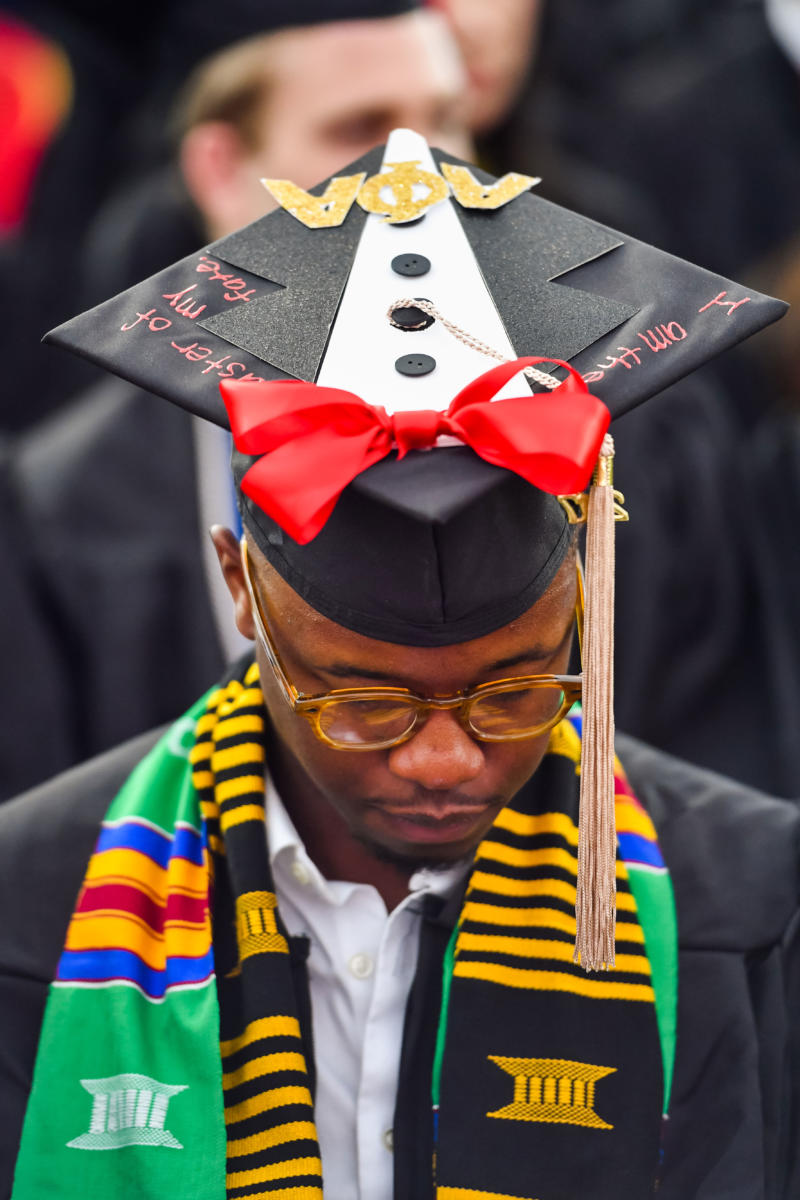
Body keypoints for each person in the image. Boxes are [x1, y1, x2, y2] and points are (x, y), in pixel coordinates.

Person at [2, 130, 798, 1200]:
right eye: (363, 699)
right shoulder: (27, 906)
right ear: (238, 584)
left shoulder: (751, 907)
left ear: (578, 595)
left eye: (515, 691)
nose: (440, 760)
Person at [3, 0, 471, 799]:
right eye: (359, 129)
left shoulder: (612, 439)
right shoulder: (61, 508)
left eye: (445, 121)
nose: (421, 179)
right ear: (220, 170)